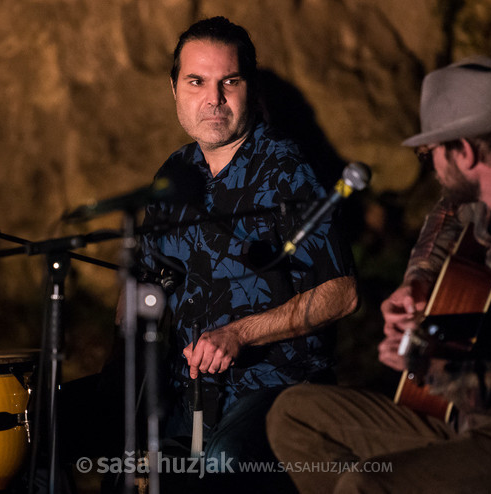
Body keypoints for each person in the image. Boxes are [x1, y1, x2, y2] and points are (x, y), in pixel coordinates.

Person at [266, 56, 491, 493]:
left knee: (365, 485)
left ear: (464, 151)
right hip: (474, 418)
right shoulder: (490, 197)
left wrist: (439, 372)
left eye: (431, 154)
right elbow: (448, 213)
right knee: (294, 417)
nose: (432, 168)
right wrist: (419, 281)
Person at [137, 15, 359, 478]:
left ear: (249, 89)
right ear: (174, 89)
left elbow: (342, 292)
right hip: (186, 395)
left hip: (278, 387)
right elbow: (144, 289)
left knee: (224, 464)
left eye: (228, 82)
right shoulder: (173, 175)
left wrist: (240, 334)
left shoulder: (285, 168)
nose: (213, 99)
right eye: (196, 81)